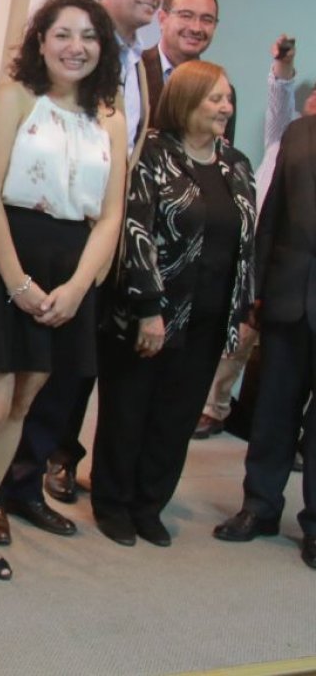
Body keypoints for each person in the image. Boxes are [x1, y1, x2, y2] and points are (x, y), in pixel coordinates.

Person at [0, 0, 126, 581]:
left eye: (88, 36)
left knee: (20, 407)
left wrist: (78, 287)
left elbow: (110, 215)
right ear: (40, 41)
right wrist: (17, 282)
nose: (75, 47)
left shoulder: (109, 116)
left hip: (69, 269)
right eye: (62, 34)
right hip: (3, 259)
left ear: (101, 48)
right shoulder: (13, 97)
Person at [0, 0, 165, 546]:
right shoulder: (55, 58)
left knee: (64, 378)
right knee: (13, 382)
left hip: (98, 243)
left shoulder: (146, 63)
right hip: (36, 238)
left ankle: (24, 484)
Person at [91, 61, 256, 547]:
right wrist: (148, 309)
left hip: (208, 318)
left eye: (228, 99)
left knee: (176, 417)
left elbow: (247, 239)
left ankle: (149, 504)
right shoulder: (152, 155)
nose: (226, 108)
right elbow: (135, 232)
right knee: (129, 410)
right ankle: (113, 503)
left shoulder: (237, 163)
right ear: (186, 101)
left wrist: (241, 311)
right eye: (215, 99)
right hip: (153, 312)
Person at [195, 34, 315, 440]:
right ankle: (214, 407)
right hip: (255, 254)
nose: (314, 101)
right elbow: (280, 95)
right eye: (311, 96)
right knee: (238, 337)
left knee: (270, 360)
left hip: (294, 273)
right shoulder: (285, 138)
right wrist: (283, 64)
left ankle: (235, 412)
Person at [213, 110, 316, 570]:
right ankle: (259, 505)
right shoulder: (299, 132)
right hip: (289, 298)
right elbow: (272, 216)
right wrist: (255, 290)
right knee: (273, 408)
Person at [143, 0, 236, 142]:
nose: (196, 28)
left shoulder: (223, 93)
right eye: (186, 16)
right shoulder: (132, 71)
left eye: (207, 19)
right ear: (162, 19)